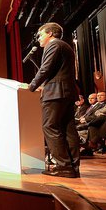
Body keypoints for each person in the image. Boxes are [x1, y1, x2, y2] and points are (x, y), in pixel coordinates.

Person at [27, 22, 80, 178]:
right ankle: (72, 167)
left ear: (50, 33)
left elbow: (45, 68)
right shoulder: (65, 46)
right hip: (66, 93)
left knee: (50, 127)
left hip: (56, 93)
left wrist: (32, 85)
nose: (39, 38)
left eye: (40, 34)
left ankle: (63, 166)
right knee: (68, 130)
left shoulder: (54, 45)